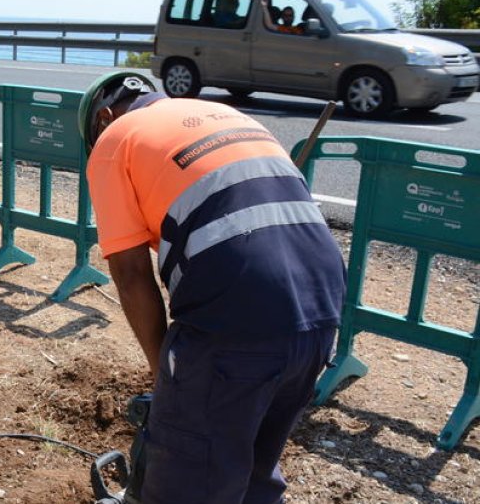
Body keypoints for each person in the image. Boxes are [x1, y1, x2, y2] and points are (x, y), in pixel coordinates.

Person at [81, 72, 345, 504]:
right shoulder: (223, 114)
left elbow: (130, 276)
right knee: (255, 472)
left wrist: (166, 374)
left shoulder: (116, 139)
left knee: (189, 483)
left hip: (237, 315)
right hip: (321, 305)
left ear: (105, 118)